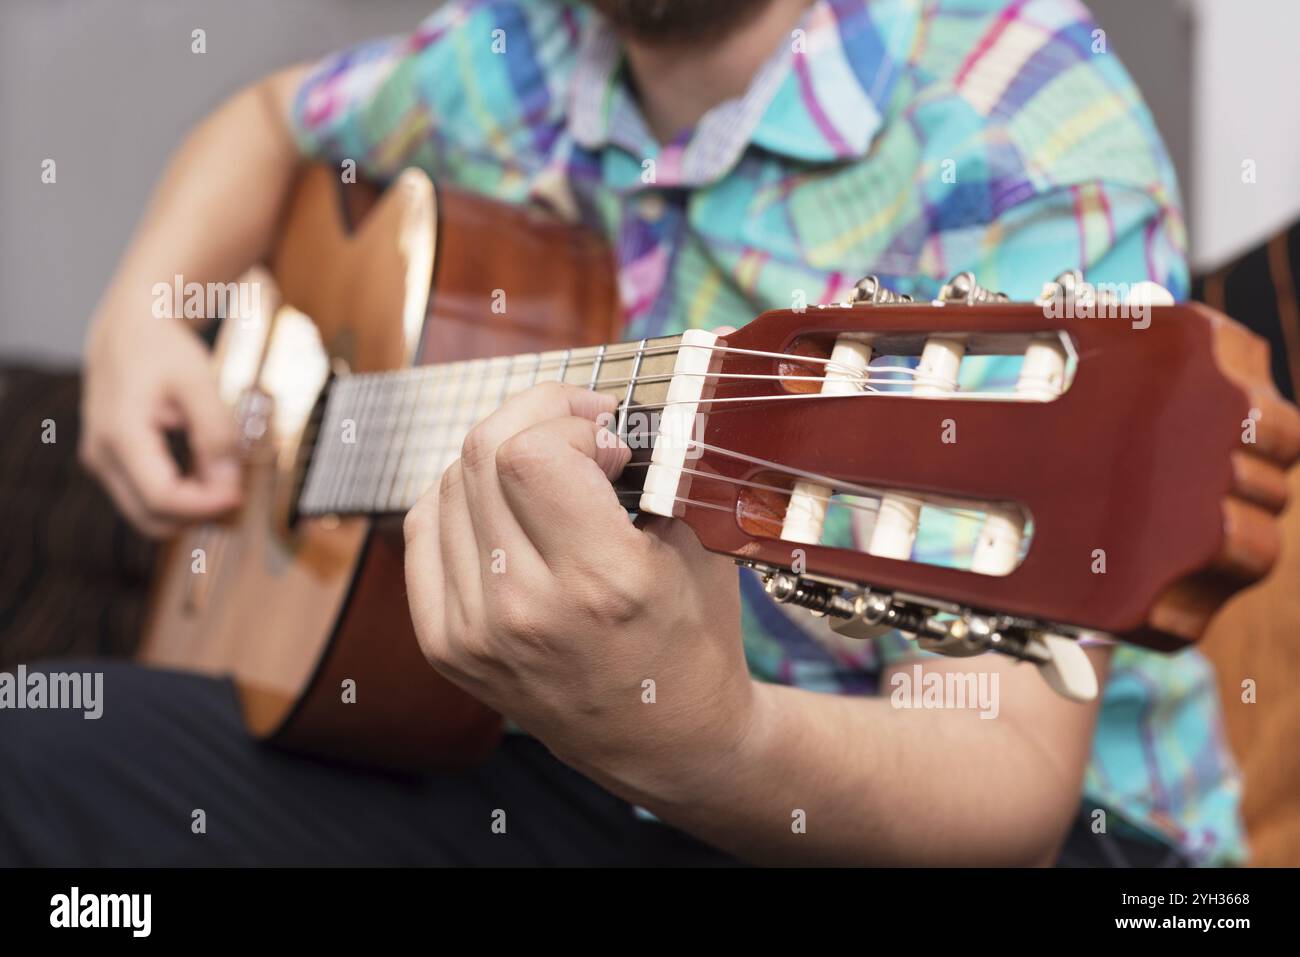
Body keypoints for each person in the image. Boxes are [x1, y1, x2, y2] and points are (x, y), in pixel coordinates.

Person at [2, 0, 1240, 866]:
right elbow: (274, 119)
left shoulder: (1015, 124)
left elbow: (1006, 788)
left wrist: (711, 738)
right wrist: (143, 314)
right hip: (546, 756)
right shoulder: (528, 44)